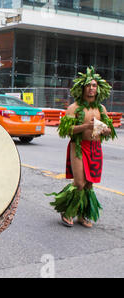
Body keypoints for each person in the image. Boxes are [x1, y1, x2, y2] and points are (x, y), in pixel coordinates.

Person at [47, 67, 117, 228]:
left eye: (94, 85)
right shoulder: (74, 108)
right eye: (88, 85)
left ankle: (83, 214)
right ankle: (67, 211)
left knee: (90, 183)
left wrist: (105, 130)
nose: (91, 88)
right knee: (79, 183)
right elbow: (67, 130)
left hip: (95, 148)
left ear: (98, 88)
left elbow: (107, 131)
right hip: (78, 146)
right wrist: (86, 125)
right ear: (82, 88)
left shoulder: (101, 109)